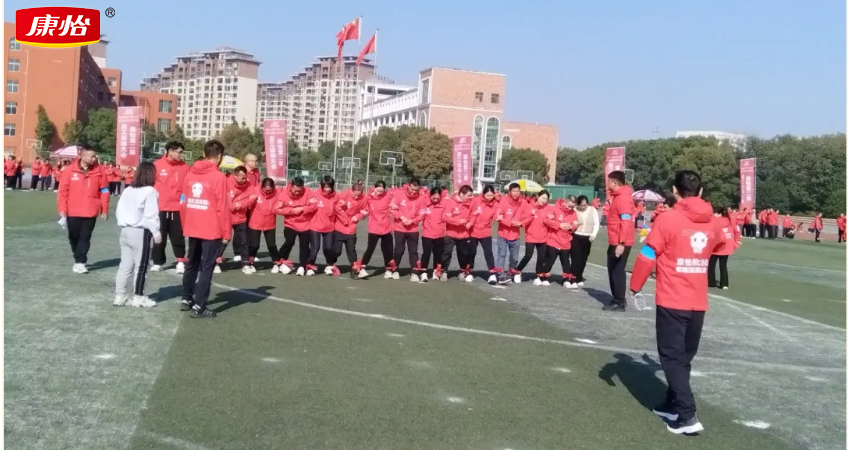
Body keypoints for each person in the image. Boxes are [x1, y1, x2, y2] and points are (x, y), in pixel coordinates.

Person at [629, 170, 725, 435]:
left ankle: (687, 415)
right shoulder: (714, 221)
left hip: (673, 298)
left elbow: (648, 253)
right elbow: (720, 245)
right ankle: (672, 403)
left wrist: (635, 285)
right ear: (701, 191)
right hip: (697, 300)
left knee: (671, 357)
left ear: (674, 190)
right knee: (684, 357)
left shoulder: (668, 218)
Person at [179, 140, 231, 319]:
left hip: (192, 225)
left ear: (203, 153)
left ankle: (186, 298)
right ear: (220, 156)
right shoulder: (219, 177)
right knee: (207, 267)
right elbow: (222, 207)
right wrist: (226, 232)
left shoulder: (189, 174)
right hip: (211, 229)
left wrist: (185, 223)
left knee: (192, 263)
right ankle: (199, 306)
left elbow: (183, 201)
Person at [114, 162, 161, 308]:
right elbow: (151, 214)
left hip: (125, 230)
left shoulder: (128, 190)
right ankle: (139, 297)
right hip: (140, 231)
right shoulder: (150, 191)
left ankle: (120, 295)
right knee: (142, 266)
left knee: (125, 266)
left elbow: (119, 211)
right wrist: (156, 232)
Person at [57, 145, 110, 273]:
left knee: (85, 237)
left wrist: (104, 209)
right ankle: (78, 256)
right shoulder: (69, 171)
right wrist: (62, 208)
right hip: (72, 210)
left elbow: (105, 191)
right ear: (82, 156)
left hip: (91, 210)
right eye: (92, 156)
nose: (94, 158)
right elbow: (63, 191)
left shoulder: (100, 171)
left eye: (95, 156)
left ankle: (80, 262)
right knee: (74, 236)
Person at [151, 141, 190, 274]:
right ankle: (158, 262)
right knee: (159, 236)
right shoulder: (157, 165)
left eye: (182, 152)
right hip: (160, 207)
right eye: (179, 152)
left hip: (177, 208)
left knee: (178, 236)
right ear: (170, 151)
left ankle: (180, 261)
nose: (181, 155)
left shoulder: (185, 167)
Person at [604, 170, 635, 312]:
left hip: (620, 241)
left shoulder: (623, 198)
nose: (607, 184)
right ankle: (617, 297)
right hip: (615, 240)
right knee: (613, 269)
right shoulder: (618, 197)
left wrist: (621, 243)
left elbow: (626, 220)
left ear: (614, 182)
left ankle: (619, 301)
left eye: (609, 181)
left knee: (617, 270)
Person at [216, 166, 256, 273]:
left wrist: (239, 204)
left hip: (240, 217)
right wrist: (233, 205)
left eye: (246, 177)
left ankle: (245, 264)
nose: (245, 180)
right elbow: (224, 200)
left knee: (244, 241)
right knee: (224, 240)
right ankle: (215, 262)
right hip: (226, 217)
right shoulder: (226, 182)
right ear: (235, 175)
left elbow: (252, 198)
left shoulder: (248, 185)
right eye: (242, 177)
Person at [278, 177, 318, 275]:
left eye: (299, 191)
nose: (297, 193)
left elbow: (314, 206)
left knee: (304, 246)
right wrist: (291, 211)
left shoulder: (308, 192)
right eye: (295, 190)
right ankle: (280, 261)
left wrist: (303, 209)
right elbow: (276, 209)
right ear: (291, 186)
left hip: (305, 224)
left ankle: (302, 266)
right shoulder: (283, 194)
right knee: (289, 242)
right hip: (290, 223)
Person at [389, 178, 426, 281]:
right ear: (408, 186)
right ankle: (394, 269)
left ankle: (414, 272)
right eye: (412, 189)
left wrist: (413, 221)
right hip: (399, 228)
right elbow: (392, 209)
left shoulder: (422, 198)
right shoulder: (399, 194)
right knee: (399, 250)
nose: (413, 192)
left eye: (416, 190)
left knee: (413, 251)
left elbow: (422, 214)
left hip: (413, 229)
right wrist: (402, 217)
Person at [331, 181, 369, 279]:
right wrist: (345, 220)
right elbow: (337, 209)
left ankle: (354, 271)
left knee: (351, 250)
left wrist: (358, 216)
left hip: (351, 228)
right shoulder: (344, 195)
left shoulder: (363, 198)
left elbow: (366, 211)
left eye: (359, 195)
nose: (356, 197)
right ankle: (331, 263)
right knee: (337, 251)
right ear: (351, 190)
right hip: (340, 227)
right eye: (355, 195)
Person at [246, 177, 283, 274]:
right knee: (254, 245)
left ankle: (276, 263)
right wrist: (250, 200)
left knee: (272, 245)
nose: (268, 192)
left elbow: (288, 190)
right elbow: (246, 202)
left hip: (270, 223)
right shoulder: (254, 191)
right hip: (255, 223)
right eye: (266, 190)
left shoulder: (277, 193)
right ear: (262, 187)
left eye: (270, 190)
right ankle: (250, 263)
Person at [306, 175, 341, 276]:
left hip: (329, 226)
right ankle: (310, 266)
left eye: (329, 187)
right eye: (325, 187)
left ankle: (329, 265)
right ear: (321, 186)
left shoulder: (336, 196)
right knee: (315, 248)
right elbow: (307, 203)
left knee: (329, 248)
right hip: (316, 226)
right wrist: (309, 202)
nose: (327, 189)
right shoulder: (315, 194)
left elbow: (339, 209)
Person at [359, 180, 395, 279]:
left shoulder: (388, 196)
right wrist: (364, 212)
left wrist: (395, 205)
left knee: (388, 250)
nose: (379, 192)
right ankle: (362, 268)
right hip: (374, 228)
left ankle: (388, 270)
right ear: (374, 188)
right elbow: (364, 207)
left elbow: (398, 198)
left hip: (386, 227)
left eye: (381, 191)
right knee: (370, 248)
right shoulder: (368, 197)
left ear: (385, 190)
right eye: (377, 190)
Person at [466, 185, 501, 284]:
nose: (489, 197)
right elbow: (469, 211)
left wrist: (498, 217)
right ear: (483, 194)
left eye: (491, 195)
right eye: (487, 195)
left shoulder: (495, 205)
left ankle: (492, 274)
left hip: (486, 231)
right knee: (472, 252)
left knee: (488, 252)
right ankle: (469, 271)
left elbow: (496, 215)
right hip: (473, 231)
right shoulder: (476, 201)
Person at [543, 196, 579, 288]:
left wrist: (572, 227)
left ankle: (566, 279)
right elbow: (546, 220)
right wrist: (559, 225)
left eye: (572, 207)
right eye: (569, 206)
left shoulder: (573, 213)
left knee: (566, 262)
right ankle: (544, 277)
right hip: (553, 240)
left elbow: (575, 224)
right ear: (565, 202)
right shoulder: (554, 209)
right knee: (550, 260)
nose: (570, 209)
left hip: (566, 241)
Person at [517, 190, 551, 285]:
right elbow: (522, 218)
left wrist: (551, 217)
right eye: (542, 198)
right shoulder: (529, 206)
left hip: (543, 237)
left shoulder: (548, 208)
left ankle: (538, 276)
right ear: (537, 196)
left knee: (541, 257)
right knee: (528, 255)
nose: (543, 200)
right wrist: (530, 213)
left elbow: (552, 220)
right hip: (531, 236)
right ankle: (518, 271)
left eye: (546, 199)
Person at [495, 183, 527, 284]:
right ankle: (500, 275)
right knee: (502, 254)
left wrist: (521, 223)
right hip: (503, 234)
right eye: (514, 191)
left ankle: (510, 273)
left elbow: (529, 216)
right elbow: (498, 217)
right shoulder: (503, 201)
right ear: (509, 192)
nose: (516, 193)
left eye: (518, 191)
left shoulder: (523, 202)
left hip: (515, 235)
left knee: (514, 258)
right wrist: (510, 223)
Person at [443, 185, 474, 281]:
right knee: (447, 253)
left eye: (471, 195)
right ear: (461, 194)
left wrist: (470, 223)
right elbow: (445, 217)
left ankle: (462, 271)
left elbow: (473, 215)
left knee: (463, 255)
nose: (470, 197)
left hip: (464, 234)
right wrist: (458, 221)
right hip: (450, 234)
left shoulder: (471, 203)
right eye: (468, 195)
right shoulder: (451, 202)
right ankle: (444, 272)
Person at [419, 186, 447, 282]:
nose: (435, 200)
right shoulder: (425, 203)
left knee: (438, 254)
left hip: (439, 234)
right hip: (427, 234)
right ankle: (423, 272)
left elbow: (446, 217)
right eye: (434, 198)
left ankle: (436, 272)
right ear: (430, 195)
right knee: (426, 253)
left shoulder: (444, 204)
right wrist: (411, 221)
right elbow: (420, 216)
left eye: (438, 198)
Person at [708, 206, 740, 290]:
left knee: (711, 265)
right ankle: (724, 284)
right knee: (723, 265)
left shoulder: (714, 221)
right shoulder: (730, 220)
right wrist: (736, 241)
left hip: (716, 246)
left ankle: (711, 282)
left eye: (714, 213)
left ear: (719, 213)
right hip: (727, 246)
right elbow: (736, 230)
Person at [570, 195, 599, 286]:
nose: (583, 207)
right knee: (576, 258)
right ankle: (573, 277)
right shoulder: (574, 210)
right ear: (577, 204)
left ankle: (579, 276)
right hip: (576, 236)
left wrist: (593, 234)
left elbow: (596, 223)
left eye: (585, 205)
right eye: (581, 205)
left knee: (583, 258)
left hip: (587, 237)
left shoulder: (592, 210)